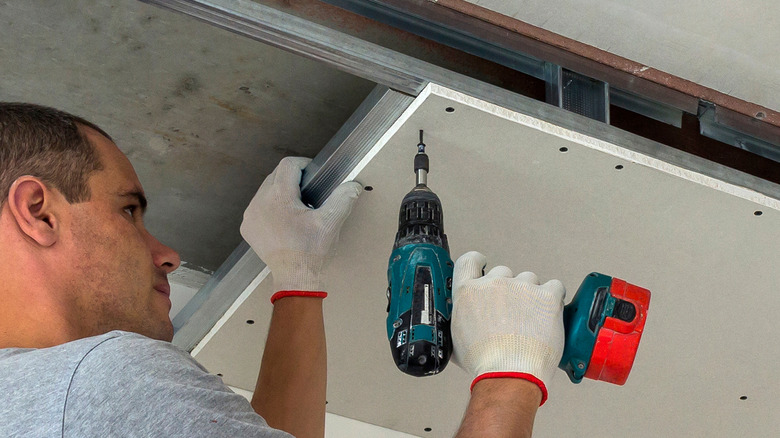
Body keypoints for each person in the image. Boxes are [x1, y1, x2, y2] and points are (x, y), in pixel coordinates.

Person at [0, 103, 565, 438]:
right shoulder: (100, 379)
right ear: (37, 211)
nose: (166, 254)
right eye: (128, 210)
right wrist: (508, 378)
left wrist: (296, 281)